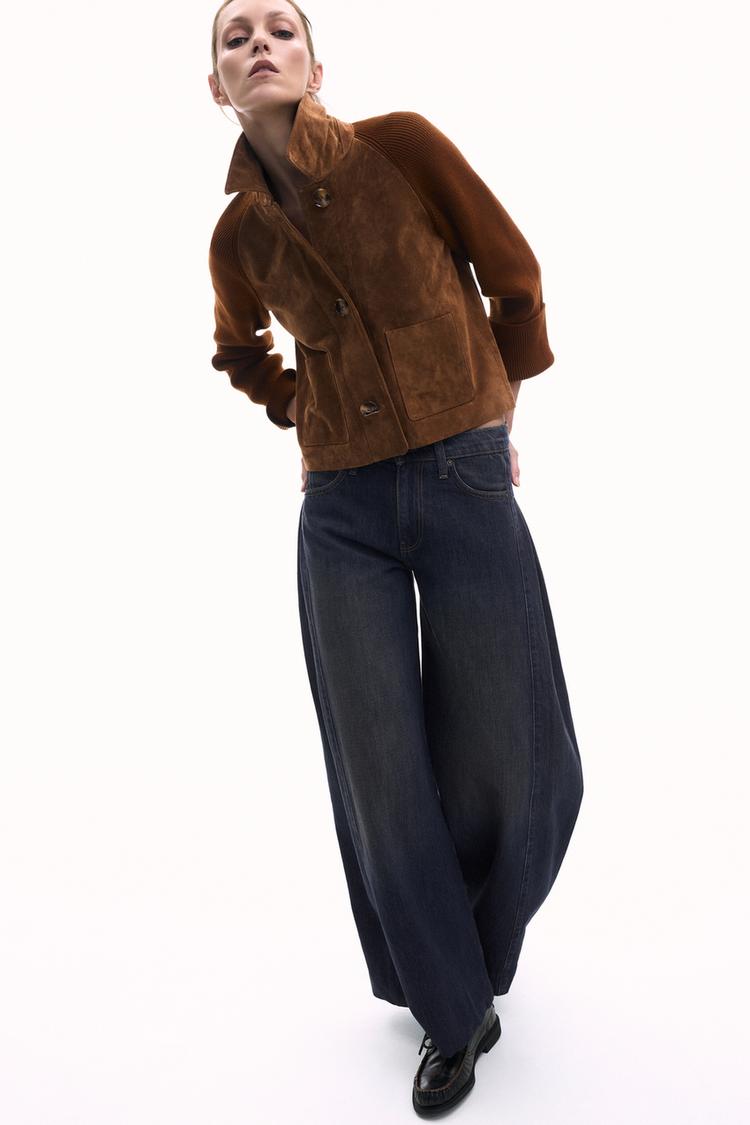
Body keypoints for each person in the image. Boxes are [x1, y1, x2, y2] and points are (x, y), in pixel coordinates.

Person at [208, 0, 584, 1114]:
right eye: (236, 37)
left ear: (316, 64)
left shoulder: (403, 148)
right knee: (380, 773)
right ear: (214, 87)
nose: (260, 43)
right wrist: (300, 408)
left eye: (279, 29)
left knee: (516, 747)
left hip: (465, 477)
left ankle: (469, 950)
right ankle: (451, 1011)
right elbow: (238, 348)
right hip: (341, 511)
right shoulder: (236, 238)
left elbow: (514, 273)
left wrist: (494, 407)